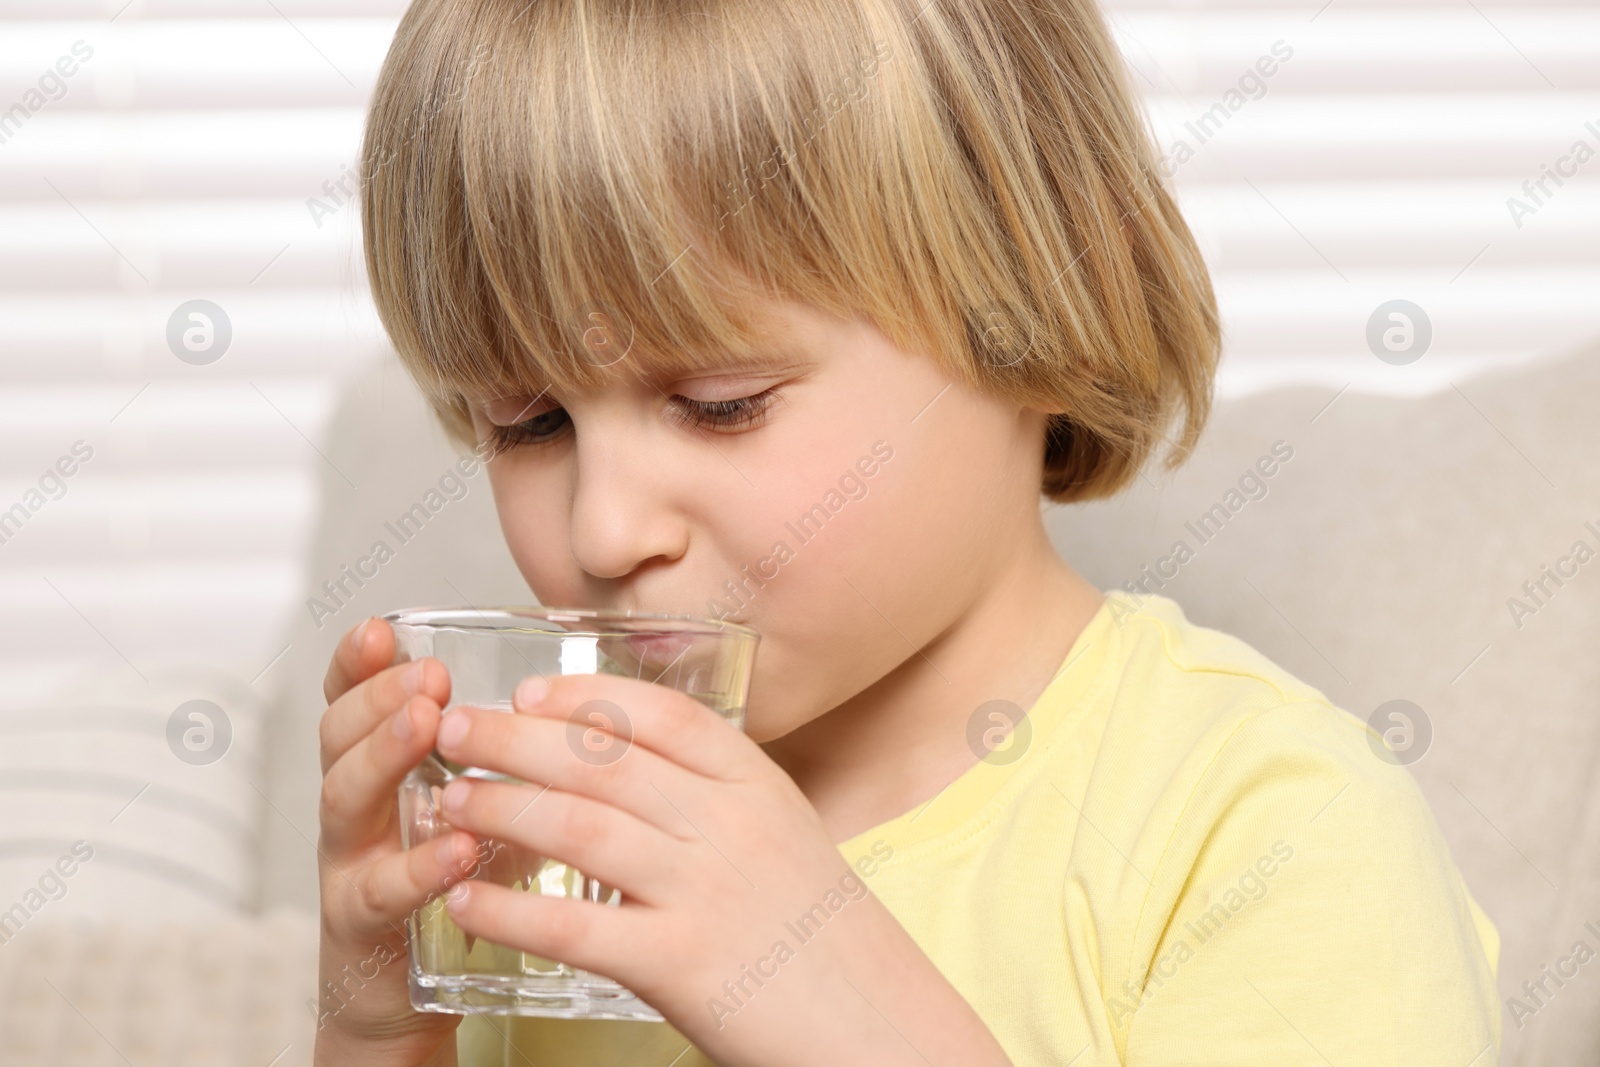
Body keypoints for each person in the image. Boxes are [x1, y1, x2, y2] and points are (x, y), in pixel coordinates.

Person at [312, 0, 1501, 1063]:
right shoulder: (568, 845)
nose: (605, 526)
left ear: (1037, 299)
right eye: (528, 422)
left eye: (720, 403)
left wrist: (846, 1009)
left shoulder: (1267, 828)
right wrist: (376, 1027)